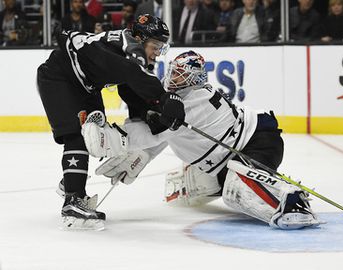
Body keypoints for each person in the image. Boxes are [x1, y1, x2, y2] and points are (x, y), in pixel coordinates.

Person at [82, 50, 321, 230]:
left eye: (180, 74)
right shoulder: (178, 97)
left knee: (235, 189)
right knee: (193, 183)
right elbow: (164, 135)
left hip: (256, 143)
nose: (172, 77)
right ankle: (265, 180)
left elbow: (154, 133)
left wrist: (112, 138)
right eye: (173, 71)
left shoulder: (192, 101)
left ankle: (291, 202)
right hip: (230, 155)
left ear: (194, 78)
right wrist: (143, 155)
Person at [36, 14, 185, 230]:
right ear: (139, 37)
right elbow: (134, 74)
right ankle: (72, 200)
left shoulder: (123, 48)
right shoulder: (130, 47)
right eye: (155, 46)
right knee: (78, 135)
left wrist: (147, 113)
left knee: (97, 135)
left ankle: (71, 182)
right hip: (58, 78)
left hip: (84, 86)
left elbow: (128, 87)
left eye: (162, 48)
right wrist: (164, 98)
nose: (157, 53)